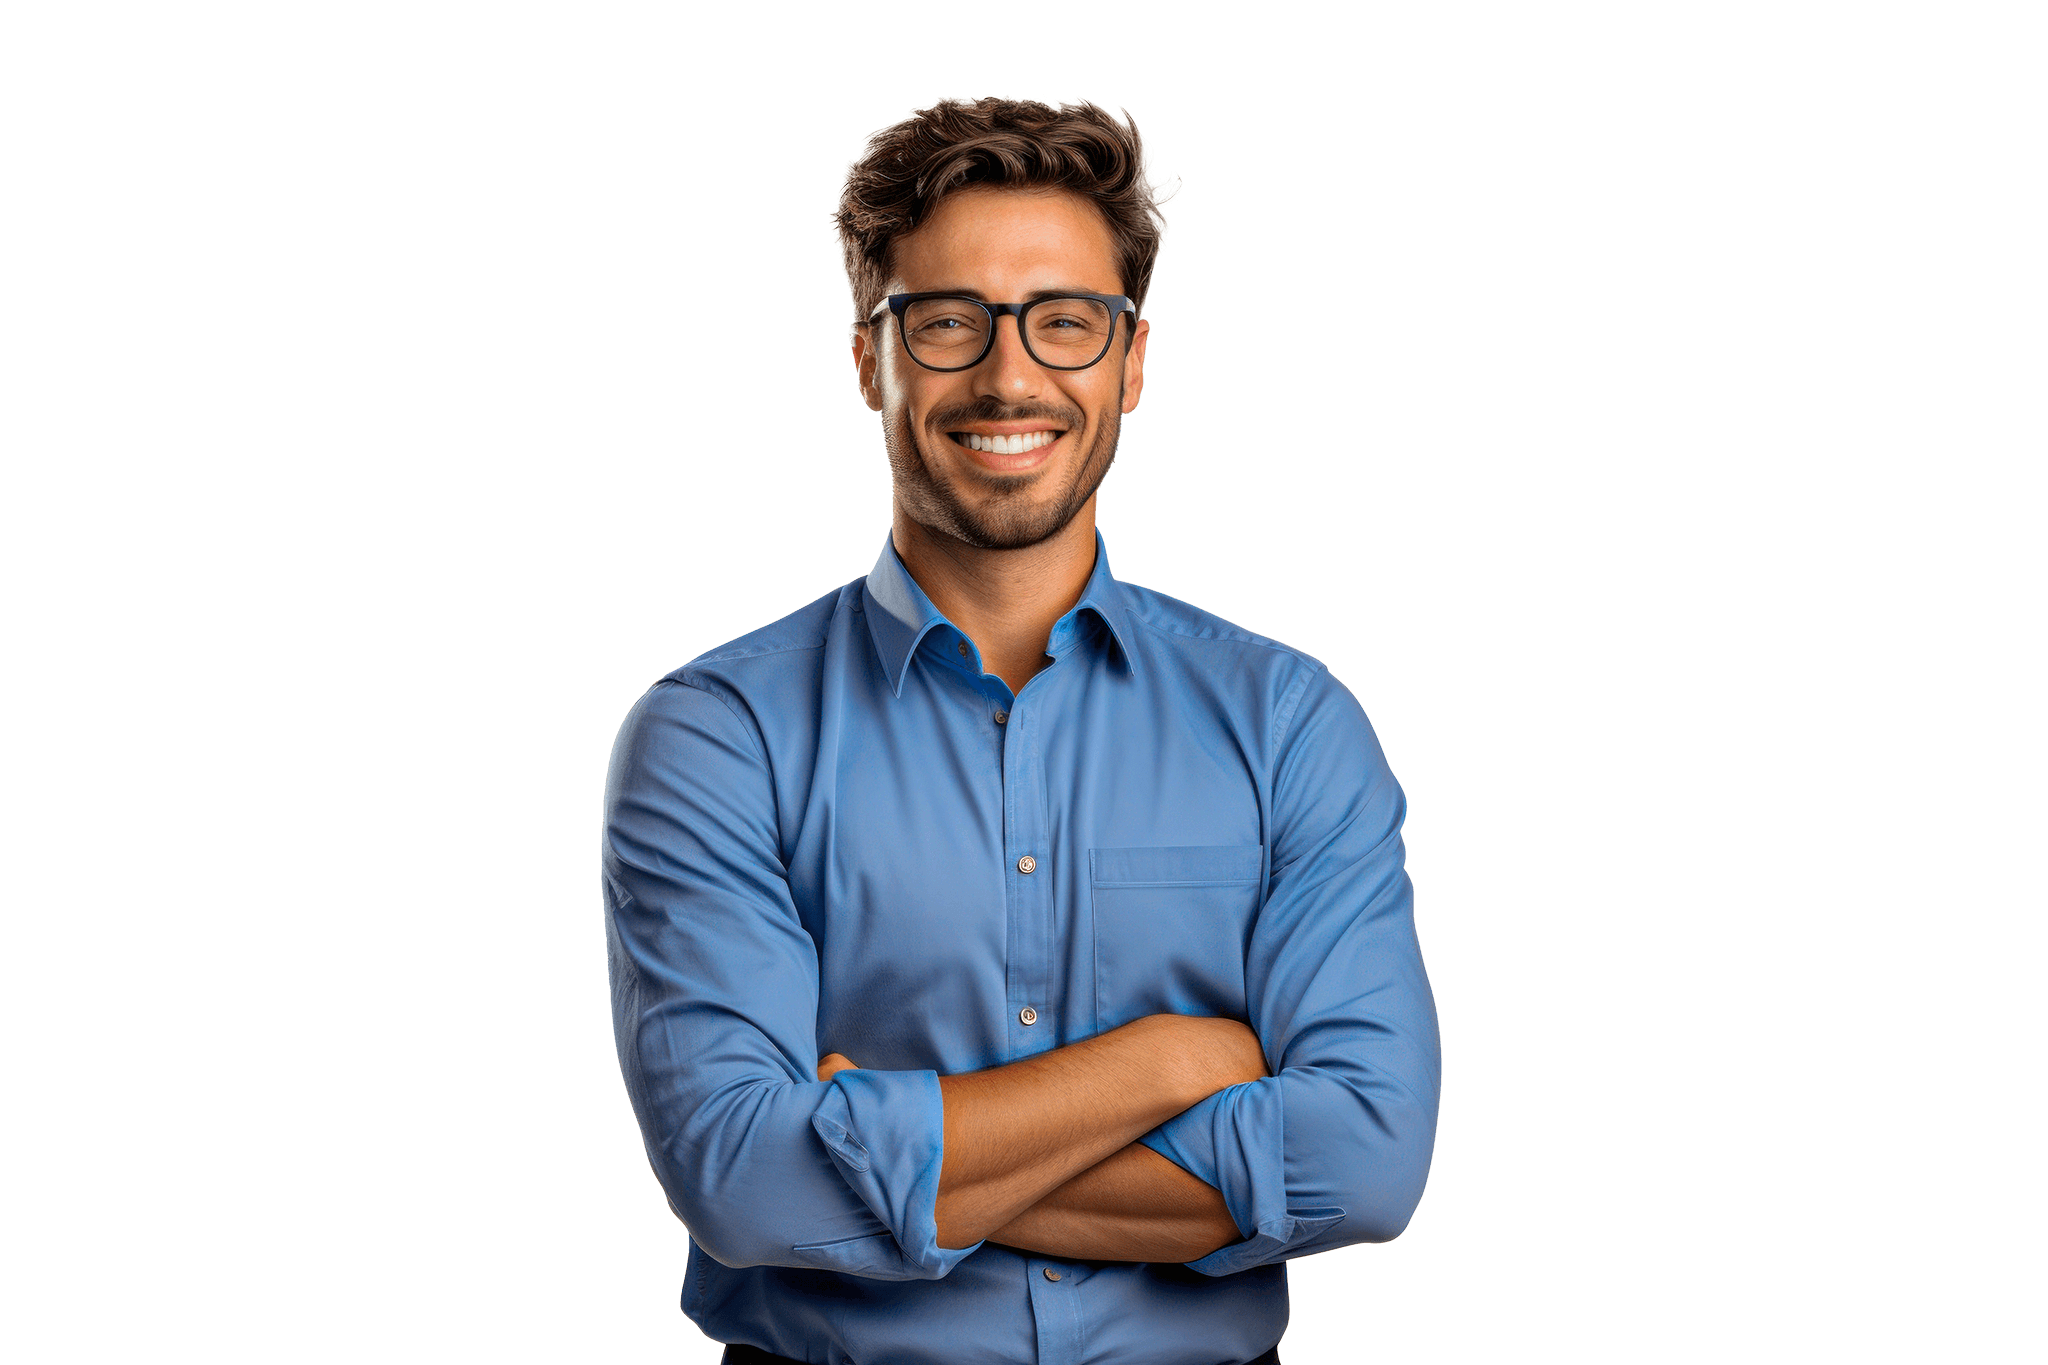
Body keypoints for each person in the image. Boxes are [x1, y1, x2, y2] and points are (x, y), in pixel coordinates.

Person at [602, 95, 1441, 1365]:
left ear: (1132, 361)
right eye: (945, 322)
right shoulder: (716, 738)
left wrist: (874, 1146)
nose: (1009, 376)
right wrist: (1164, 1066)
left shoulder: (1286, 724)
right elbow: (742, 1185)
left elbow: (1364, 1163)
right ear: (868, 359)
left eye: (1065, 322)